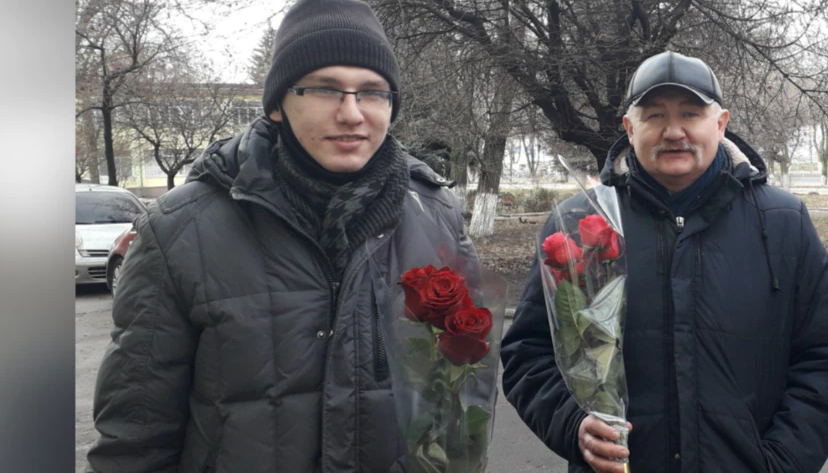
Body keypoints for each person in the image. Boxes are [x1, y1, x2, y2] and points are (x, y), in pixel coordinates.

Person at [85, 0, 476, 471]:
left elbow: (461, 391)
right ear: (276, 105)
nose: (352, 113)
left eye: (373, 92)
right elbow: (136, 438)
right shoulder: (181, 230)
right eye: (325, 89)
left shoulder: (434, 213)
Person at [501, 50, 828, 473]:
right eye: (655, 115)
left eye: (691, 113)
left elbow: (820, 355)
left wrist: (781, 461)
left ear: (721, 123)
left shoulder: (782, 221)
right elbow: (528, 353)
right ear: (629, 128)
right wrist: (572, 424)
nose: (674, 132)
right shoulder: (579, 223)